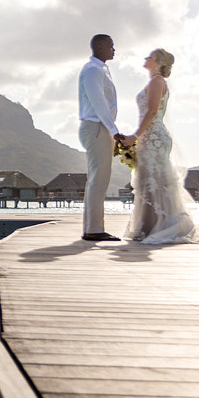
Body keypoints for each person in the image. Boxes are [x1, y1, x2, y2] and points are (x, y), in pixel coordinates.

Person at [119, 49, 199, 244]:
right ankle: (148, 227)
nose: (145, 58)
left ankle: (155, 227)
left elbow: (153, 111)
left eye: (150, 57)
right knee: (151, 181)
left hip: (153, 137)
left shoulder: (157, 81)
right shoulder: (155, 82)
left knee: (153, 182)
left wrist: (134, 136)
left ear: (157, 63)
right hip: (150, 136)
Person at [78, 34, 124, 242]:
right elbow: (98, 103)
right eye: (110, 46)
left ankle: (93, 227)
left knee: (98, 179)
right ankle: (94, 229)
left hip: (100, 127)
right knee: (99, 179)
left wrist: (111, 133)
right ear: (99, 46)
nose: (114, 49)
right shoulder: (92, 70)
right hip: (96, 126)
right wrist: (114, 131)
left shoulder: (100, 69)